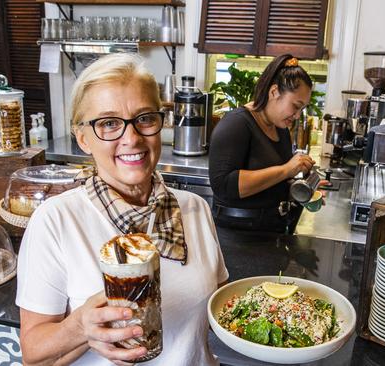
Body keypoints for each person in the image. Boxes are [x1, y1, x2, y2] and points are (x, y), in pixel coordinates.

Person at [16, 53, 229, 365]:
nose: (131, 138)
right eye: (109, 123)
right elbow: (33, 356)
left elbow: (217, 309)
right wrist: (81, 328)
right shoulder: (56, 221)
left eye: (144, 118)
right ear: (83, 138)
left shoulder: (195, 209)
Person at [209, 54, 316, 233]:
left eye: (302, 109)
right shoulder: (236, 124)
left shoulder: (280, 128)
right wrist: (286, 170)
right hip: (239, 237)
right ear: (274, 92)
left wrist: (301, 190)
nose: (297, 115)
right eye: (296, 106)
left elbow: (273, 184)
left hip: (271, 229)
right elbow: (223, 186)